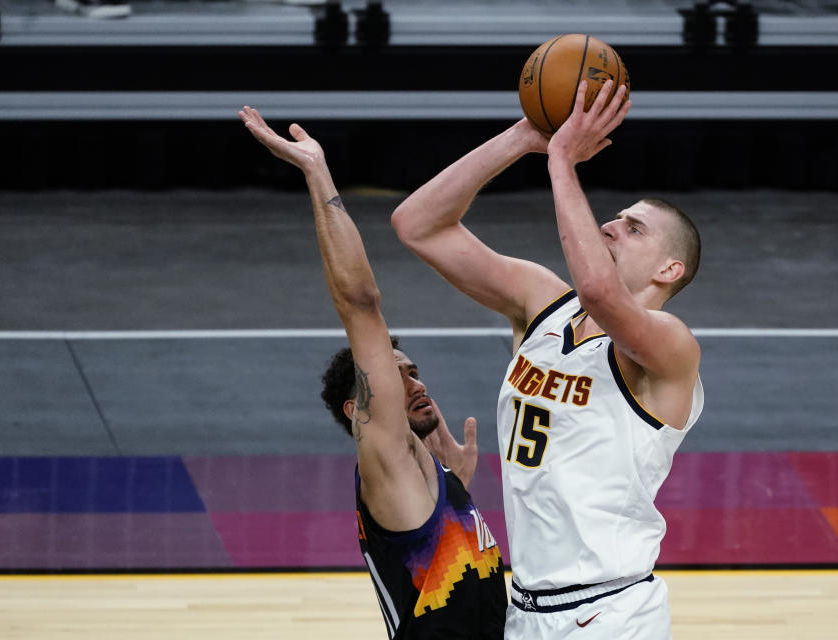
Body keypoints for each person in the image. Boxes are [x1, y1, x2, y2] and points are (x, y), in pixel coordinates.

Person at [391, 80, 704, 638]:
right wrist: (523, 138)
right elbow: (417, 225)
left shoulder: (672, 347)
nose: (611, 225)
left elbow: (601, 294)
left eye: (634, 229)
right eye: (615, 217)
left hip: (613, 612)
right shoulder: (542, 307)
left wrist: (562, 162)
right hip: (526, 609)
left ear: (669, 271)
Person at [239, 106, 506, 639]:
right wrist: (318, 174)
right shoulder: (383, 448)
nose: (416, 381)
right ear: (357, 409)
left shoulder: (415, 471)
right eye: (396, 373)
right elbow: (359, 303)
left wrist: (458, 487)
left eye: (413, 370)